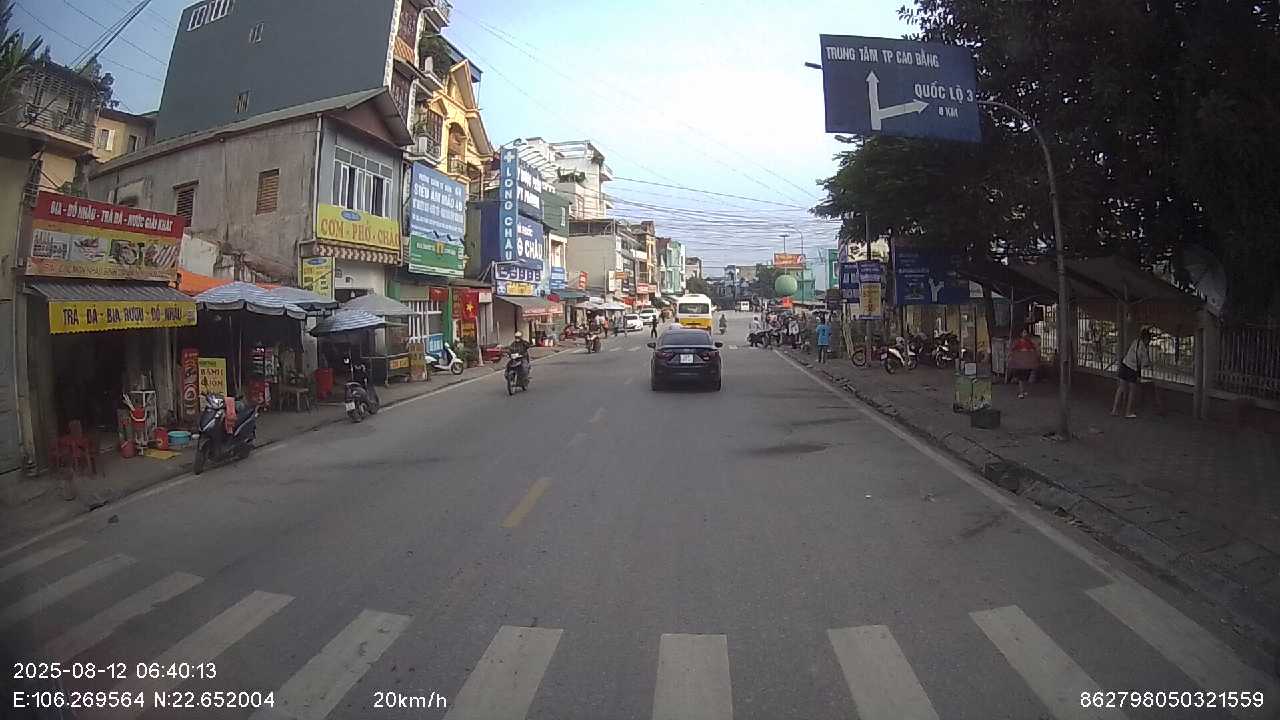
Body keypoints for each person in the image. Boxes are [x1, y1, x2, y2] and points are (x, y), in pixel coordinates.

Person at [1111, 328, 1152, 418]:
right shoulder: (1143, 350)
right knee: (1132, 391)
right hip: (1132, 370)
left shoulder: (1135, 341)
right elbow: (1145, 364)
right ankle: (1128, 412)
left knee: (1121, 388)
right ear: (1146, 339)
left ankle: (1114, 409)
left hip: (1124, 365)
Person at [1008, 328, 1039, 399]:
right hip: (1020, 363)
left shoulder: (1029, 342)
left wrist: (1031, 351)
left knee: (1025, 377)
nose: (1025, 334)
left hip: (1027, 363)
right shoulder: (1018, 342)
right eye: (1024, 332)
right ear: (1021, 334)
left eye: (1026, 332)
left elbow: (1033, 348)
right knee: (1021, 378)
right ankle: (1021, 392)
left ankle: (1023, 390)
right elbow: (1013, 350)